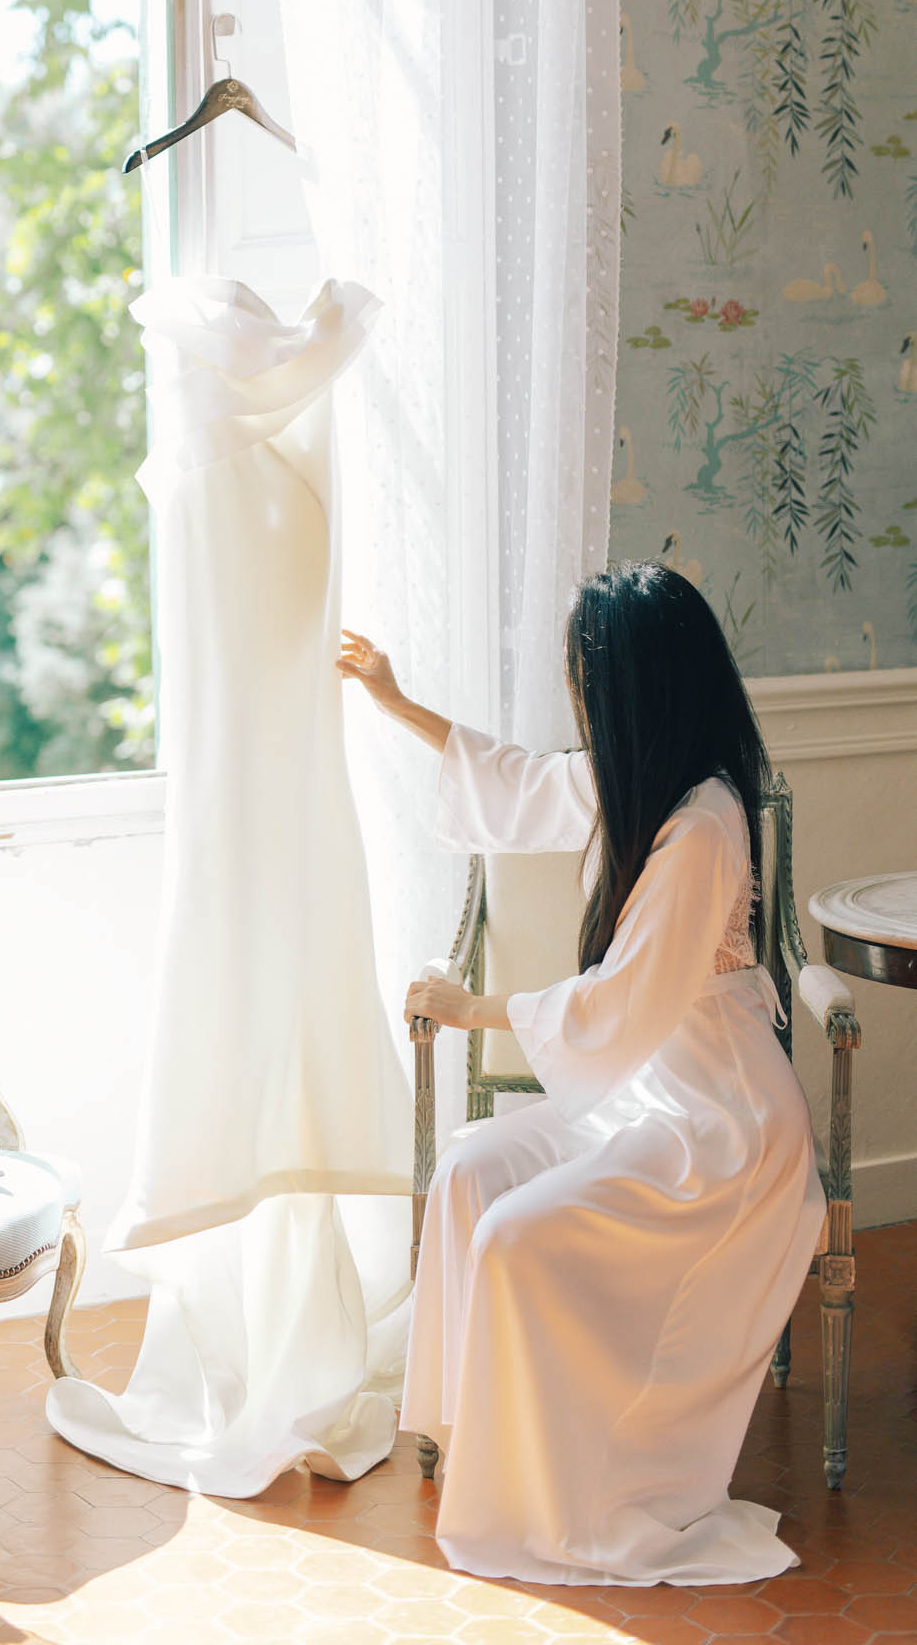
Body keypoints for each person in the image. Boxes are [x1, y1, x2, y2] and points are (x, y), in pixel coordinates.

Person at [336, 562, 825, 1587]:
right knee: (470, 1168)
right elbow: (515, 782)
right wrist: (392, 698)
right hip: (649, 1089)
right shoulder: (637, 777)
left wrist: (473, 1007)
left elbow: (621, 999)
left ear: (634, 685)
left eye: (584, 680)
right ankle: (492, 1446)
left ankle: (574, 1488)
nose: (576, 701)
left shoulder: (701, 825)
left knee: (519, 1235)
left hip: (721, 1126)